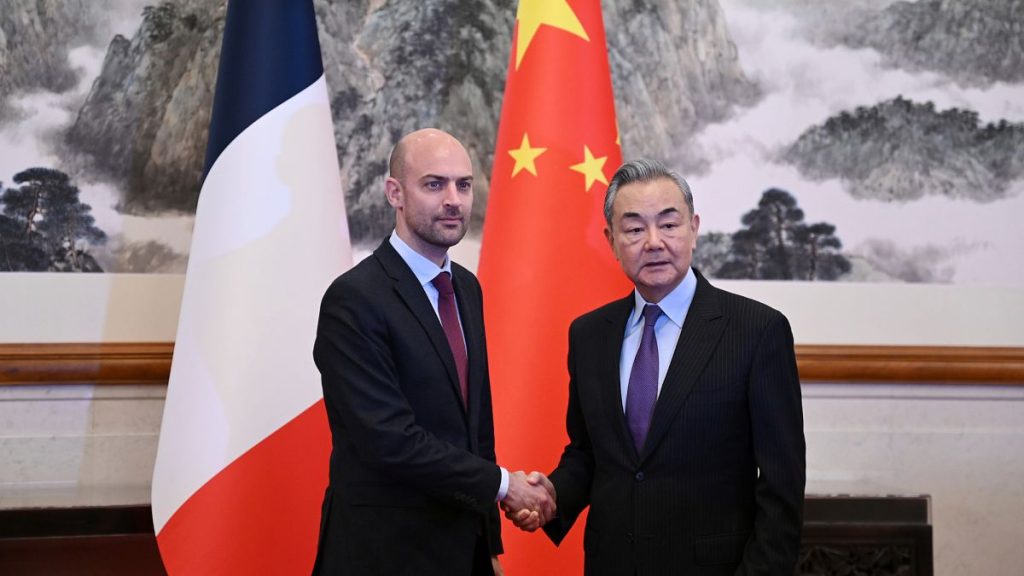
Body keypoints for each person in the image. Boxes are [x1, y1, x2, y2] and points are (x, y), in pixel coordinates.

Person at [513, 159, 805, 575]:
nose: (653, 241)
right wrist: (552, 497)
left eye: (669, 225)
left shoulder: (757, 331)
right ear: (611, 240)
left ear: (694, 229)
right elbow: (590, 452)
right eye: (634, 229)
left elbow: (782, 487)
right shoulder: (590, 334)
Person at [312, 128, 554, 576]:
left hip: (465, 552)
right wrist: (504, 487)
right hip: (384, 554)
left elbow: (475, 430)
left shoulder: (465, 287)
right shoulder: (354, 299)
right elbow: (389, 440)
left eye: (463, 185)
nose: (453, 200)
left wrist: (491, 546)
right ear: (394, 193)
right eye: (434, 184)